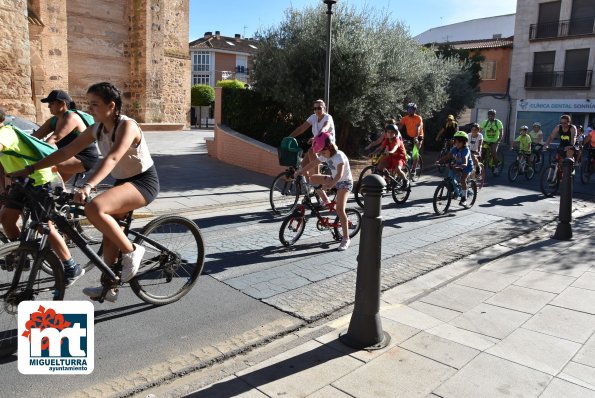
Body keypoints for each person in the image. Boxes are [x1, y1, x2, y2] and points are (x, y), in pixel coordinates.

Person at [12, 82, 160, 303]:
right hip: (123, 182)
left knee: (95, 207)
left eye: (94, 104)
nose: (89, 109)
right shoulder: (96, 128)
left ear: (111, 106)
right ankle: (109, 287)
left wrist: (88, 185)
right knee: (110, 232)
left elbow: (112, 158)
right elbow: (66, 152)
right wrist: (32, 168)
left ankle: (132, 250)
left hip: (143, 182)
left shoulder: (127, 126)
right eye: (88, 104)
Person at [0, 108, 84, 286]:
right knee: (7, 219)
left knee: (43, 226)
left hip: (41, 180)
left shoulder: (5, 133)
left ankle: (71, 267)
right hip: (21, 181)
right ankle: (22, 254)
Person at [295, 133, 353, 251]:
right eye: (320, 153)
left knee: (340, 210)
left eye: (323, 152)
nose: (322, 155)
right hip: (333, 180)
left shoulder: (339, 156)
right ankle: (326, 200)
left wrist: (330, 185)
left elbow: (339, 174)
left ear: (330, 147)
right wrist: (300, 172)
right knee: (313, 178)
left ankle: (346, 238)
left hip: (345, 183)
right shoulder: (325, 154)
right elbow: (312, 163)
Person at [33, 90, 99, 183]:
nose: (48, 106)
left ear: (62, 104)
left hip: (83, 157)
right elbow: (34, 137)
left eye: (51, 103)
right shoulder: (54, 120)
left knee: (43, 163)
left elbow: (54, 139)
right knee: (52, 187)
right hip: (67, 154)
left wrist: (34, 154)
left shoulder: (71, 117)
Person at [289, 99, 335, 169]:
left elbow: (324, 128)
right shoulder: (313, 117)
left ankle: (317, 175)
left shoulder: (328, 117)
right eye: (315, 108)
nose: (317, 110)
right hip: (317, 144)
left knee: (311, 151)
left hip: (327, 145)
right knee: (302, 167)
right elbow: (301, 129)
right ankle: (305, 179)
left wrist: (315, 138)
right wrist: (289, 137)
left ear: (324, 108)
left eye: (319, 108)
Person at [437, 131, 473, 205]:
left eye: (459, 142)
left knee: (463, 180)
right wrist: (440, 161)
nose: (457, 144)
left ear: (464, 143)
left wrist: (463, 165)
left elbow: (465, 159)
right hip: (457, 164)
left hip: (467, 166)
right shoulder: (455, 148)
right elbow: (448, 156)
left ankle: (464, 198)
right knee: (450, 178)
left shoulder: (466, 150)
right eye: (456, 142)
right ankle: (454, 191)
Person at [372, 124, 409, 188]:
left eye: (392, 132)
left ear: (396, 133)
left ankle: (405, 180)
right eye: (388, 132)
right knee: (379, 167)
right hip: (390, 156)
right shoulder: (387, 140)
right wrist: (373, 152)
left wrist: (391, 151)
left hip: (399, 157)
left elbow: (395, 147)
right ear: (386, 133)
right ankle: (384, 182)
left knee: (397, 169)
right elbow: (380, 147)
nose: (390, 134)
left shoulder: (397, 140)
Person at [399, 103, 424, 172]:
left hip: (418, 136)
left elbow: (418, 128)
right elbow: (399, 127)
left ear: (414, 110)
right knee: (403, 148)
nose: (409, 111)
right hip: (409, 136)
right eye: (408, 109)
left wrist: (416, 138)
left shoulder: (418, 118)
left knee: (415, 152)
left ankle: (414, 169)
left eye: (411, 110)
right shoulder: (404, 118)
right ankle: (405, 163)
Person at [479, 109, 504, 173]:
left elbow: (501, 132)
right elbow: (479, 131)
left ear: (494, 116)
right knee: (482, 154)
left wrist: (499, 140)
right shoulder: (485, 122)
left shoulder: (498, 122)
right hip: (486, 140)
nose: (490, 117)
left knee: (494, 153)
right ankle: (480, 168)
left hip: (494, 141)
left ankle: (496, 167)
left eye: (492, 115)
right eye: (489, 115)